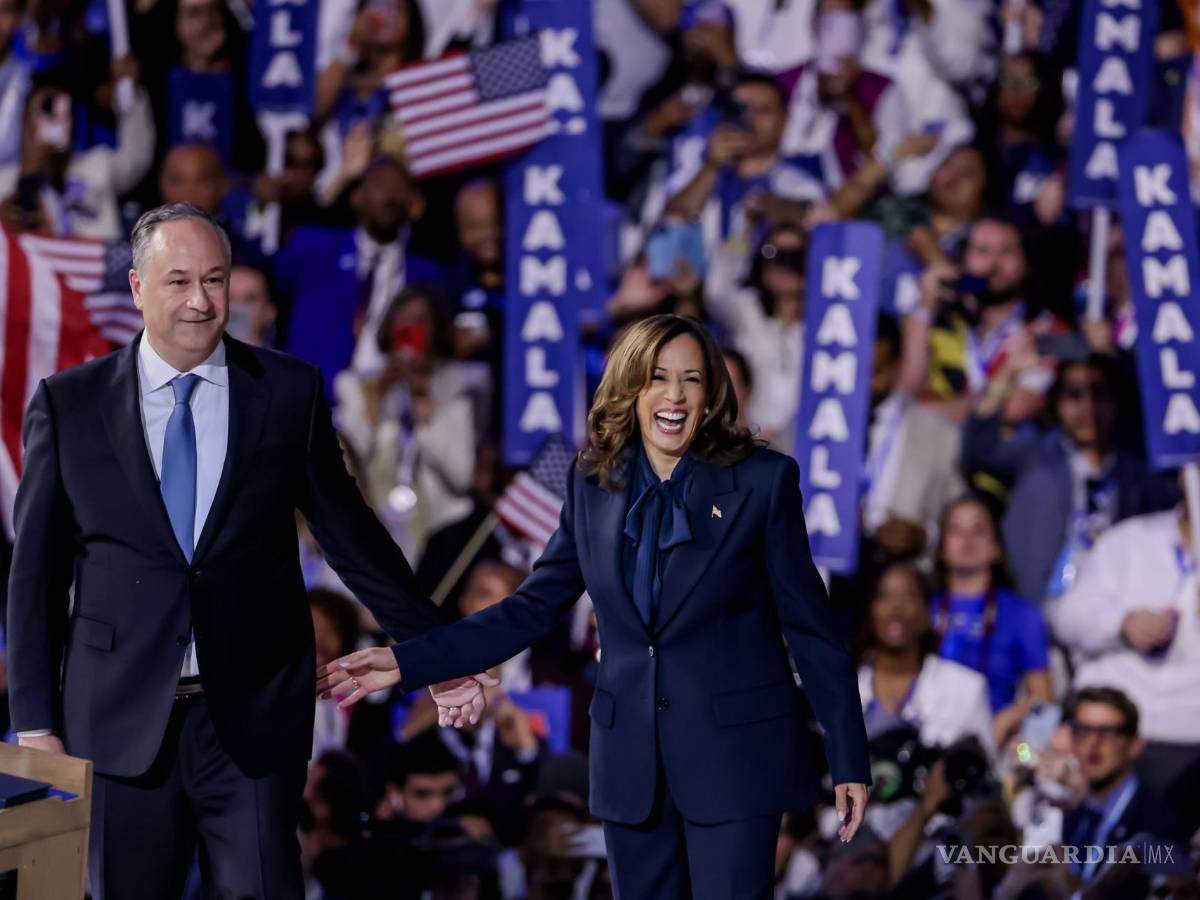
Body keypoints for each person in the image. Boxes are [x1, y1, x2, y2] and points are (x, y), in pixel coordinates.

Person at [4, 203, 493, 899]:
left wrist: (437, 656)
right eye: (178, 282)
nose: (202, 301)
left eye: (215, 279)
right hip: (114, 724)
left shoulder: (288, 393)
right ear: (139, 289)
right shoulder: (69, 404)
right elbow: (36, 579)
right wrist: (35, 724)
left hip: (252, 722)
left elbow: (352, 539)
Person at [320, 314, 871, 898]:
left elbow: (812, 631)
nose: (675, 395)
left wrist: (848, 758)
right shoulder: (593, 482)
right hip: (630, 763)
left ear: (711, 393)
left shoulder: (762, 482)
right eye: (658, 377)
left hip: (735, 760)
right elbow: (531, 607)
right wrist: (410, 661)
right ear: (629, 387)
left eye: (692, 379)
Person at [962, 355, 1174, 604]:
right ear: (1057, 403)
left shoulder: (1136, 471)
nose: (1088, 407)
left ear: (1115, 402)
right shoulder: (1034, 453)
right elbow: (978, 450)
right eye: (1074, 395)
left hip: (1113, 610)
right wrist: (1005, 373)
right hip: (1041, 606)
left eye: (1099, 393)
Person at [1050, 483, 1200, 801]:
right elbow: (1066, 617)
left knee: (1167, 850)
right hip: (1106, 729)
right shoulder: (1131, 539)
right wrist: (1120, 623)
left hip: (1189, 741)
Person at [932, 496, 1051, 743]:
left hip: (993, 742)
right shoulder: (920, 607)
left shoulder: (1022, 614)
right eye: (956, 530)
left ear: (996, 547)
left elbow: (1044, 703)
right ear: (941, 547)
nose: (967, 540)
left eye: (979, 530)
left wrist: (1024, 757)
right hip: (923, 735)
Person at [855, 560, 994, 756]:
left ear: (926, 612)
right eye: (884, 596)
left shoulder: (966, 689)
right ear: (869, 611)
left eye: (909, 597)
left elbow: (984, 773)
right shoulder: (837, 687)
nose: (896, 607)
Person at [1060, 687, 1190, 887]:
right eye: (1084, 731)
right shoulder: (1072, 814)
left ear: (1135, 745)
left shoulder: (1160, 825)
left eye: (1108, 733)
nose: (1093, 743)